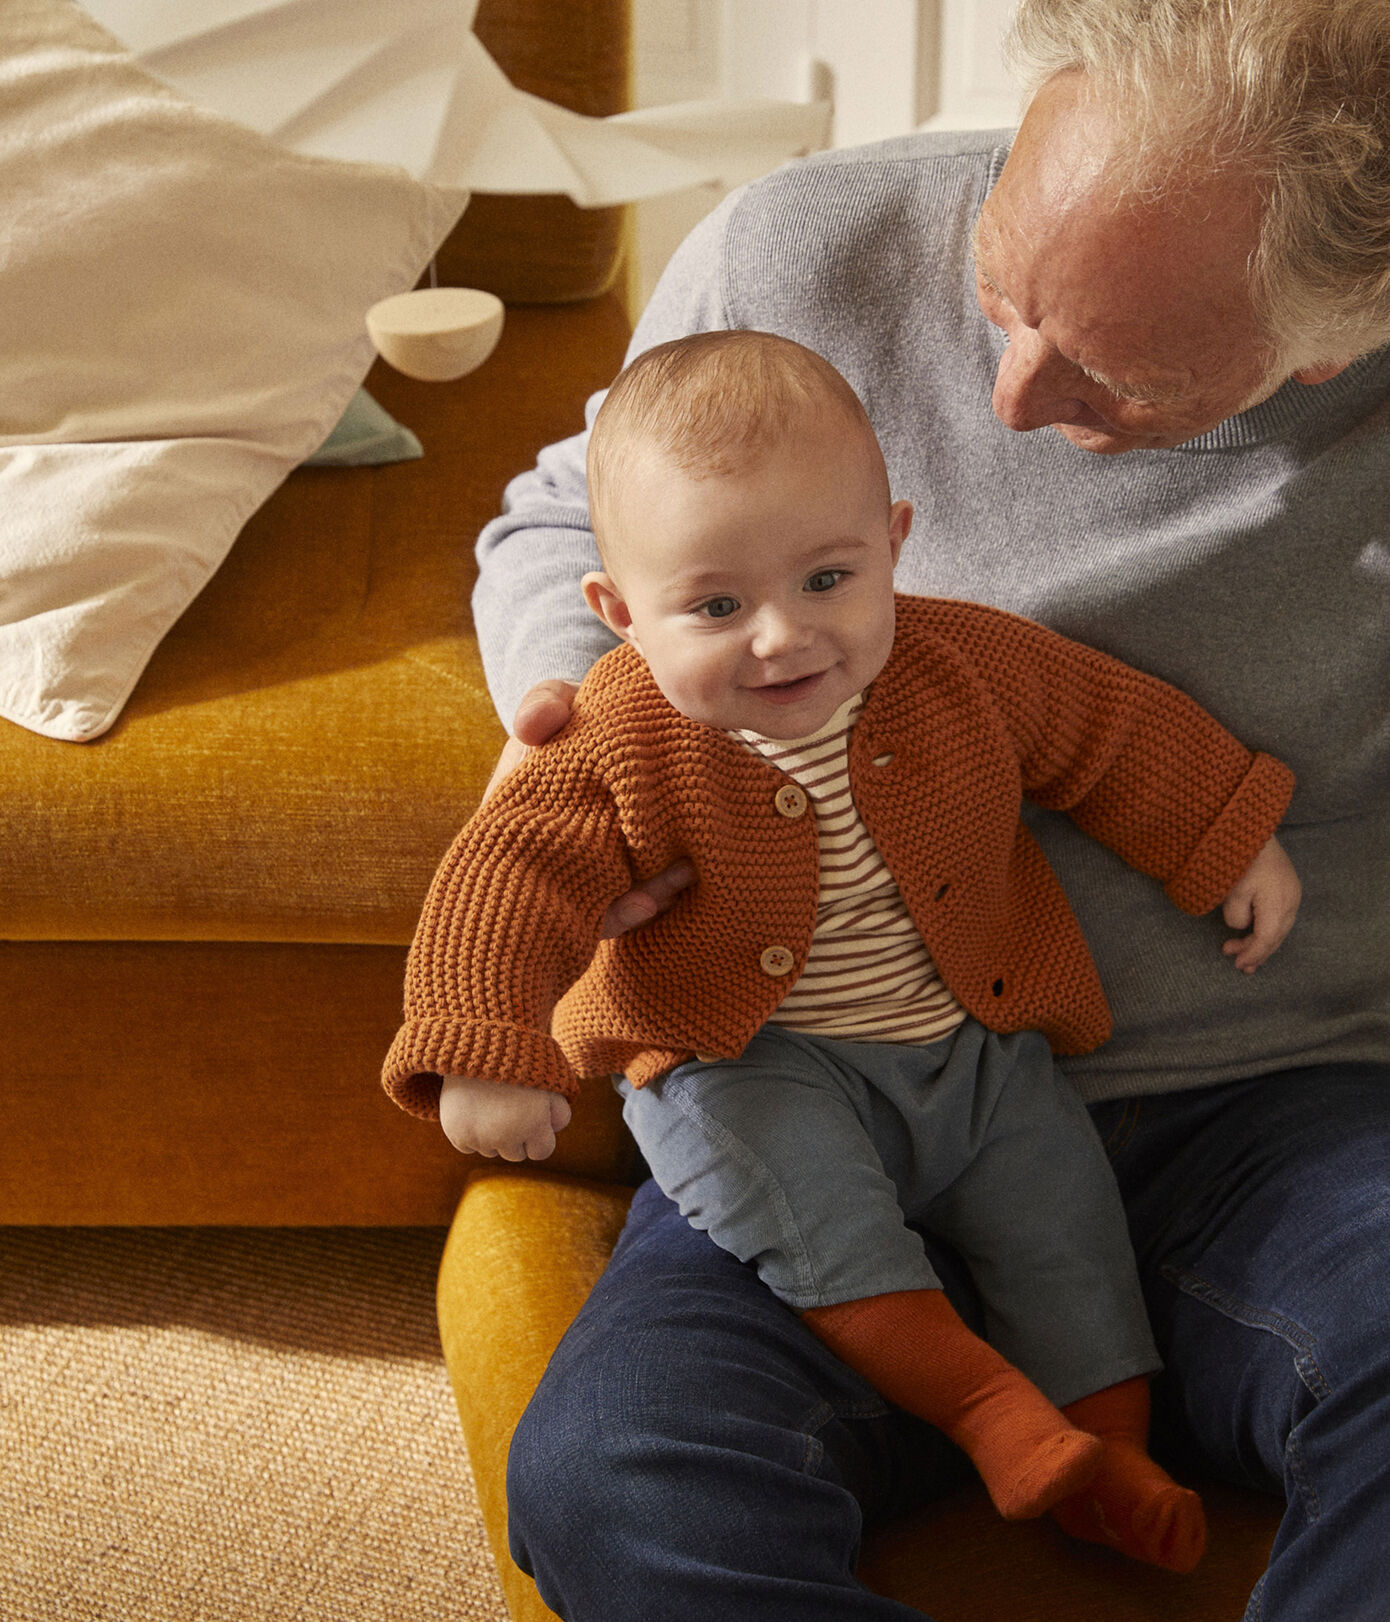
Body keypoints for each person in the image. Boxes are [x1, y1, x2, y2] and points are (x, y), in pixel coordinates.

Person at [469, 1, 1390, 1617]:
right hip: (809, 1092)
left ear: (1343, 327)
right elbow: (563, 514)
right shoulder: (796, 246)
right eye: (1001, 290)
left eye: (1113, 366)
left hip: (1276, 1116)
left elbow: (1106, 730)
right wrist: (577, 731)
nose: (1012, 395)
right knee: (618, 1475)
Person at [385, 328, 1299, 1569]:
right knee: (823, 1229)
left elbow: (1104, 729)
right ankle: (987, 1411)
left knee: (1065, 1221)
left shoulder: (956, 662)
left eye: (827, 579)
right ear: (619, 613)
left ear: (894, 542)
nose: (781, 636)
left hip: (969, 1043)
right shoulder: (617, 734)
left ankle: (1110, 1446)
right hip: (743, 1064)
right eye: (715, 605)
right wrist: (489, 1045)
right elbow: (507, 878)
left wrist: (1224, 834)